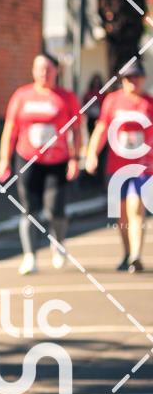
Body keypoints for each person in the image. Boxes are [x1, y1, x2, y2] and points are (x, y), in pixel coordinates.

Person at [0, 53, 82, 275]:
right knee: (29, 210)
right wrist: (4, 159)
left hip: (57, 161)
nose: (43, 73)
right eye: (39, 68)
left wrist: (75, 158)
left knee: (55, 209)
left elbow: (76, 130)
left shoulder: (66, 98)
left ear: (56, 71)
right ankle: (30, 256)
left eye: (48, 69)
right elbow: (10, 129)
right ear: (33, 71)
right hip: (27, 160)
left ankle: (58, 243)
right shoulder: (22, 96)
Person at [86, 59, 153, 272]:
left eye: (136, 77)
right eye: (128, 78)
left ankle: (136, 255)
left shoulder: (149, 103)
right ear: (122, 80)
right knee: (122, 214)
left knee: (136, 208)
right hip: (117, 167)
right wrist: (92, 154)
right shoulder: (113, 101)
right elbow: (102, 128)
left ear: (143, 78)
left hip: (144, 166)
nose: (133, 82)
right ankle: (127, 252)